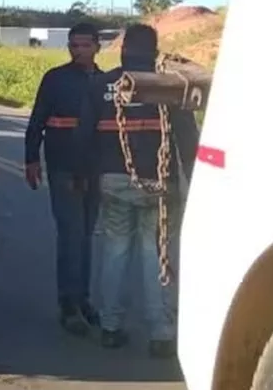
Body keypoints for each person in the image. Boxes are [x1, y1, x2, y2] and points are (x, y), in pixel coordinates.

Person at [77, 23, 198, 357]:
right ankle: (161, 333)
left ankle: (111, 327)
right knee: (156, 255)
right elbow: (188, 140)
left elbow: (83, 137)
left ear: (123, 48)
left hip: (113, 182)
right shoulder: (171, 88)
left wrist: (83, 177)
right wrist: (194, 179)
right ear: (155, 52)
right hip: (159, 185)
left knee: (115, 251)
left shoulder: (101, 84)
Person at [24, 21, 103, 335]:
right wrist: (31, 159)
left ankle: (83, 299)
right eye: (74, 45)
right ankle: (68, 306)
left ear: (98, 46)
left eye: (85, 45)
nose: (78, 50)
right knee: (71, 236)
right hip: (63, 168)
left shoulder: (106, 82)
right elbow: (37, 121)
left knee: (85, 237)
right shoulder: (55, 80)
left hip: (95, 170)